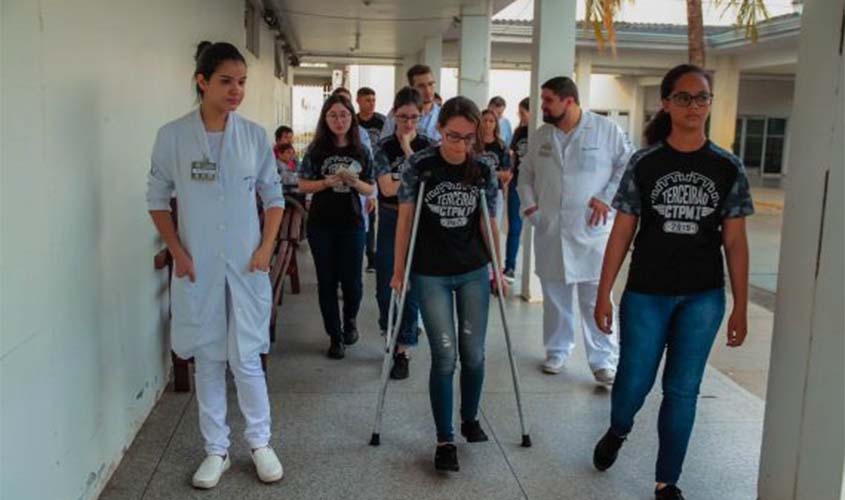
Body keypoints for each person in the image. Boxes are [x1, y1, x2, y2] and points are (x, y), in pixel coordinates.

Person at [592, 64, 754, 500]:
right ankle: (618, 429)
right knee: (633, 383)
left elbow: (735, 242)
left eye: (701, 97)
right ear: (666, 103)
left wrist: (740, 305)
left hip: (702, 297)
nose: (693, 106)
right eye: (683, 97)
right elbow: (622, 231)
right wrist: (604, 293)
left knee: (682, 391)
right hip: (647, 293)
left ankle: (667, 481)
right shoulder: (645, 163)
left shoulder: (727, 167)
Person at [146, 41, 284, 489]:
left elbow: (274, 197)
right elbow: (156, 200)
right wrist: (178, 252)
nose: (236, 90)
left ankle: (260, 443)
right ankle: (216, 450)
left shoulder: (254, 136)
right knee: (208, 358)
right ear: (202, 82)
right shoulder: (173, 136)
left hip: (246, 265)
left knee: (247, 358)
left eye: (241, 82)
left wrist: (265, 248)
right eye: (226, 81)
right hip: (198, 267)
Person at [393, 96, 503, 472]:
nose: (460, 145)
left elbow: (490, 222)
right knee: (444, 355)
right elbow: (404, 220)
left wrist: (498, 269)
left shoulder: (483, 168)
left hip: (473, 269)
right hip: (431, 272)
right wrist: (398, 270)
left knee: (474, 353)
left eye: (469, 138)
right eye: (453, 136)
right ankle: (445, 439)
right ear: (439, 129)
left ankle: (469, 418)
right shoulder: (420, 165)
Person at [517, 76, 633, 383]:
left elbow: (627, 165)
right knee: (555, 298)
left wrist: (607, 197)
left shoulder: (606, 130)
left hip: (592, 232)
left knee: (596, 298)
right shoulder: (541, 136)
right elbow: (525, 174)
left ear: (568, 101)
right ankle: (557, 350)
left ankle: (603, 360)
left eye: (548, 100)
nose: (543, 106)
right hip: (551, 230)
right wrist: (530, 208)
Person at [297, 94, 375, 359]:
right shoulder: (316, 149)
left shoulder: (361, 150)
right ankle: (335, 335)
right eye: (333, 115)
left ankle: (350, 320)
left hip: (352, 223)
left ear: (351, 118)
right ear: (325, 119)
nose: (339, 120)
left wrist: (354, 182)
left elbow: (371, 188)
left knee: (352, 282)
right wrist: (325, 183)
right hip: (321, 224)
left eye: (344, 115)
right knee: (327, 281)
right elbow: (302, 183)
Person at [372, 87, 436, 380]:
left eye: (414, 117)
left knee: (410, 286)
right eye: (402, 117)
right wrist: (414, 178)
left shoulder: (429, 145)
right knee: (386, 284)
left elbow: (430, 184)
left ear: (421, 116)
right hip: (390, 218)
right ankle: (390, 331)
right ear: (393, 115)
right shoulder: (383, 147)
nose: (408, 123)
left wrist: (409, 151)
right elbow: (386, 188)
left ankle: (404, 348)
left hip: (419, 221)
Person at [356, 87, 385, 273]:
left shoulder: (382, 121)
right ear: (358, 101)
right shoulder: (353, 122)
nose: (371, 103)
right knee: (364, 213)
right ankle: (362, 253)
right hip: (359, 174)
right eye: (367, 100)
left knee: (374, 213)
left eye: (373, 100)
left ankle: (372, 255)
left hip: (379, 173)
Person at [503, 97, 529, 282]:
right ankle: (510, 266)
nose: (521, 116)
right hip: (517, 183)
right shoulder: (519, 131)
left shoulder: (541, 132)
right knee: (515, 226)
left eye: (523, 113)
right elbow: (513, 156)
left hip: (536, 185)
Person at [380, 65, 441, 141]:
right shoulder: (397, 114)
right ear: (412, 88)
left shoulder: (443, 115)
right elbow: (384, 142)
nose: (428, 90)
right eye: (421, 86)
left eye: (430, 84)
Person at [478, 108, 512, 223]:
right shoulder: (473, 144)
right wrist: (496, 173)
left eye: (491, 121)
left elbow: (506, 174)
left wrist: (488, 173)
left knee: (493, 224)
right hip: (476, 189)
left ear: (496, 124)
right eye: (485, 120)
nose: (487, 124)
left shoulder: (501, 146)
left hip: (495, 191)